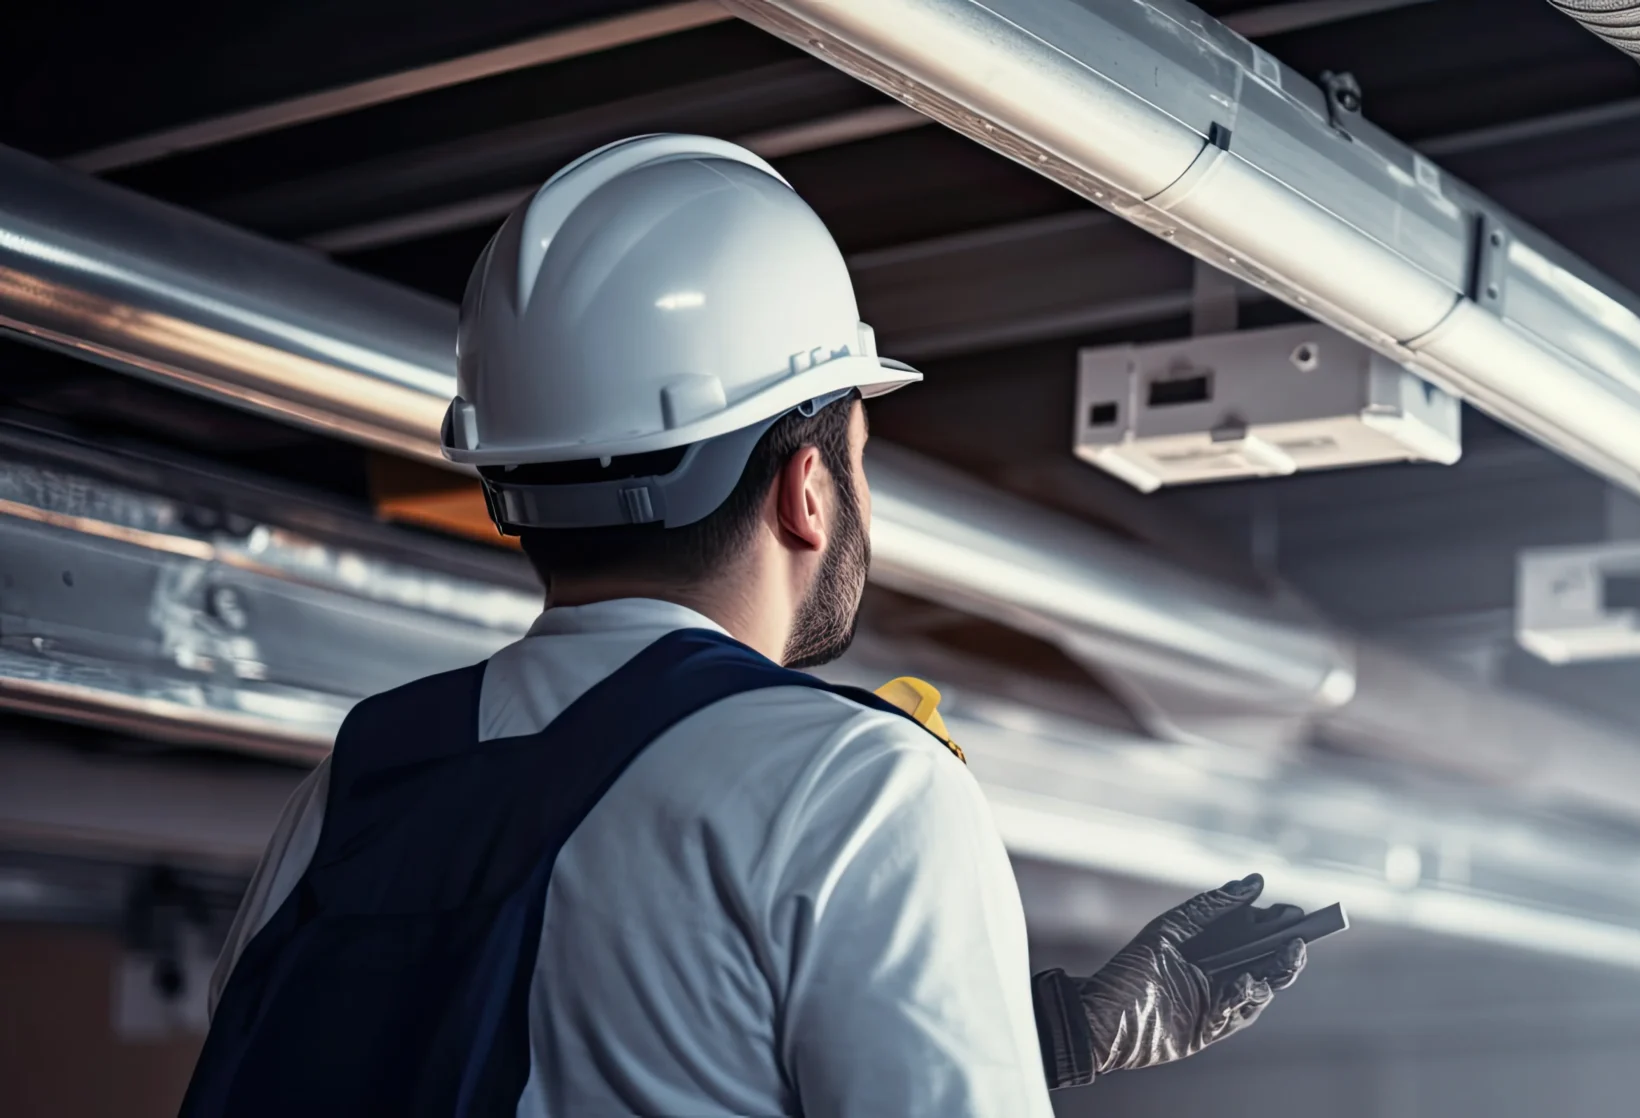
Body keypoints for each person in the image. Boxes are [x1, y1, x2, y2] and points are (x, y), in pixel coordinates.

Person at [180, 134, 1308, 1117]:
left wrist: (1052, 1034)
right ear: (807, 487)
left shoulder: (361, 778)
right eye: (861, 459)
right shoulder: (857, 788)